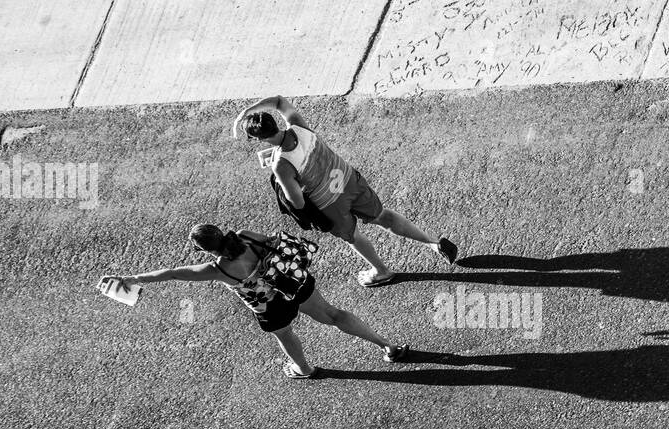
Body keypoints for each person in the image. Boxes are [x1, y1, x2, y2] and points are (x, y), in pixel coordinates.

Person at [99, 224, 410, 379]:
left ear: (205, 250)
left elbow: (171, 274)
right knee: (333, 314)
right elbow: (275, 244)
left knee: (286, 335)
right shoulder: (246, 236)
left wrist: (133, 279)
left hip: (270, 306)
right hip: (293, 283)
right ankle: (387, 346)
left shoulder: (216, 270)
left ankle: (303, 369)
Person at [232, 95, 457, 287]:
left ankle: (381, 271)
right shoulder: (298, 126)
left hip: (330, 203)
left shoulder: (281, 165)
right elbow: (279, 101)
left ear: (259, 139)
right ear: (274, 123)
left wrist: (281, 181)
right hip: (347, 178)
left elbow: (297, 203)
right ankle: (433, 243)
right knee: (383, 216)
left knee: (354, 237)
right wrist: (248, 111)